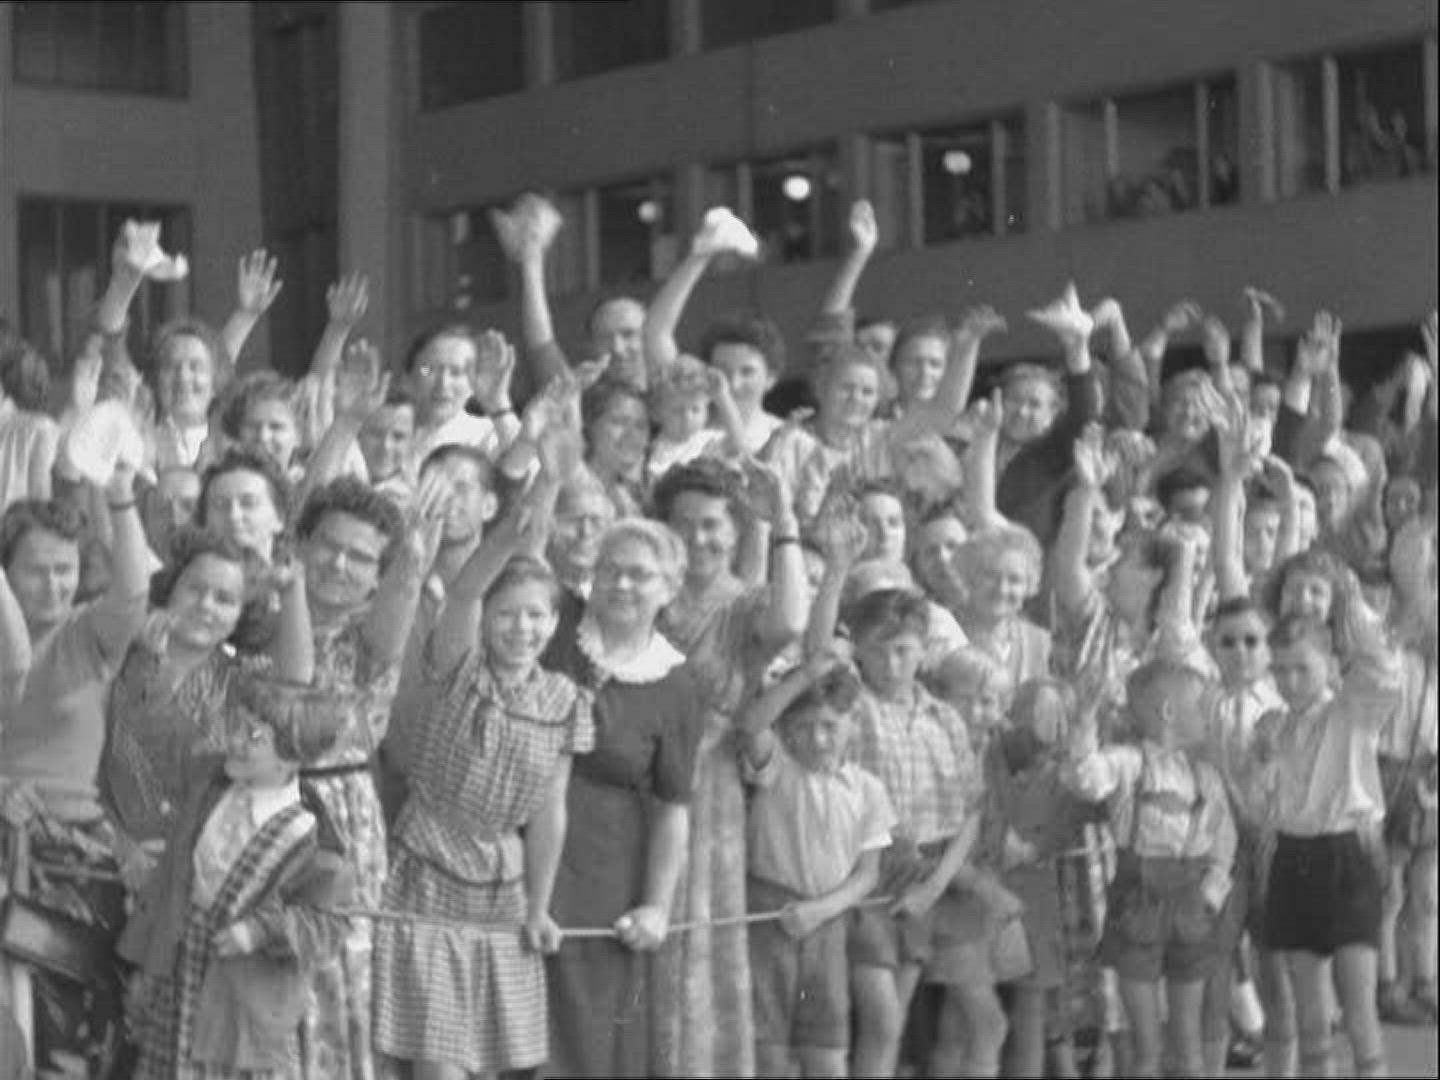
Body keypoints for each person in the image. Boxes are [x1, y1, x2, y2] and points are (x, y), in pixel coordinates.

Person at [375, 548, 591, 1080]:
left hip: (500, 885)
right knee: (434, 1055)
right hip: (428, 866)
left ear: (555, 621)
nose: (522, 628)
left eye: (536, 614)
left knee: (484, 1056)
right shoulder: (459, 668)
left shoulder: (564, 700)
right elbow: (465, 593)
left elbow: (550, 811)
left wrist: (537, 907)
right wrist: (518, 524)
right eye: (507, 613)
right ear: (484, 617)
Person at [121, 673, 357, 1080]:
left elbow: (325, 923)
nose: (235, 740)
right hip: (179, 974)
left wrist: (261, 930)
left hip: (242, 1002)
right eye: (236, 726)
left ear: (291, 755)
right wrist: (149, 964)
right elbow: (171, 880)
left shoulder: (310, 837)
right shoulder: (210, 791)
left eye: (254, 736)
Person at [539, 519, 702, 1077]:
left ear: (670, 588)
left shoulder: (678, 684)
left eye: (639, 574)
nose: (622, 584)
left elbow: (674, 807)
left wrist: (657, 906)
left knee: (589, 1035)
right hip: (516, 851)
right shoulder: (554, 631)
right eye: (610, 570)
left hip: (604, 873)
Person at [1063, 659, 1237, 1080]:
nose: (1208, 715)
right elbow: (1083, 778)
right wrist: (1084, 718)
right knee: (1146, 1047)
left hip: (1191, 905)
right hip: (1138, 902)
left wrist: (1212, 892)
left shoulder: (1206, 774)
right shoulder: (1128, 762)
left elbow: (1224, 836)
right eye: (1201, 706)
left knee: (1188, 1043)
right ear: (1169, 712)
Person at [738, 651, 896, 1079]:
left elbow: (867, 874)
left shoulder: (867, 790)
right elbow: (750, 726)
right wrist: (803, 675)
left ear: (852, 723)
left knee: (826, 1050)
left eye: (829, 725)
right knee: (769, 1051)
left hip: (828, 921)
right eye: (803, 727)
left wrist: (820, 910)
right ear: (786, 728)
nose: (818, 739)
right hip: (770, 917)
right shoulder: (776, 768)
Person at [1257, 614, 1401, 1078]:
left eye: (1302, 668)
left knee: (1360, 1013)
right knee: (1311, 1019)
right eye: (1279, 669)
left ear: (1332, 664)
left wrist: (1355, 611)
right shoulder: (1274, 725)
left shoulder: (1352, 712)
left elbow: (1384, 674)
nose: (1290, 681)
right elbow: (1266, 800)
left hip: (1344, 858)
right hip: (1291, 858)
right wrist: (1263, 755)